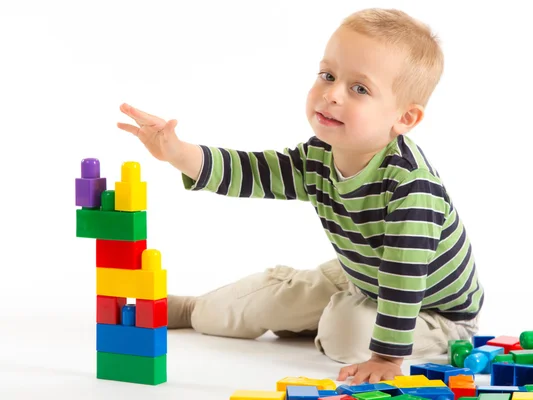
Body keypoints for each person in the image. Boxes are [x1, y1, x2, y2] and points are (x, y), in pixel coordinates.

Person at [116, 7, 484, 385]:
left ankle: (331, 320)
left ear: (404, 118)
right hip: (360, 275)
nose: (332, 94)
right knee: (260, 304)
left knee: (347, 332)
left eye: (359, 89)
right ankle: (199, 308)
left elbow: (404, 277)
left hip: (431, 308)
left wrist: (387, 359)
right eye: (328, 75)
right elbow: (251, 172)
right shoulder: (318, 157)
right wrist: (178, 153)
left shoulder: (410, 186)